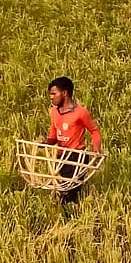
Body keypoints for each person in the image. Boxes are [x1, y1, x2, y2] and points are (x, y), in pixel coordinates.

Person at [42, 76, 103, 204]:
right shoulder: (54, 111)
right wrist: (46, 142)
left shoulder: (80, 113)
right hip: (61, 157)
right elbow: (53, 137)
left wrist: (96, 148)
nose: (51, 97)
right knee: (62, 190)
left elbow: (94, 131)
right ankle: (68, 216)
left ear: (65, 93)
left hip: (76, 157)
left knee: (70, 193)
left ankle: (72, 218)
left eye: (54, 94)